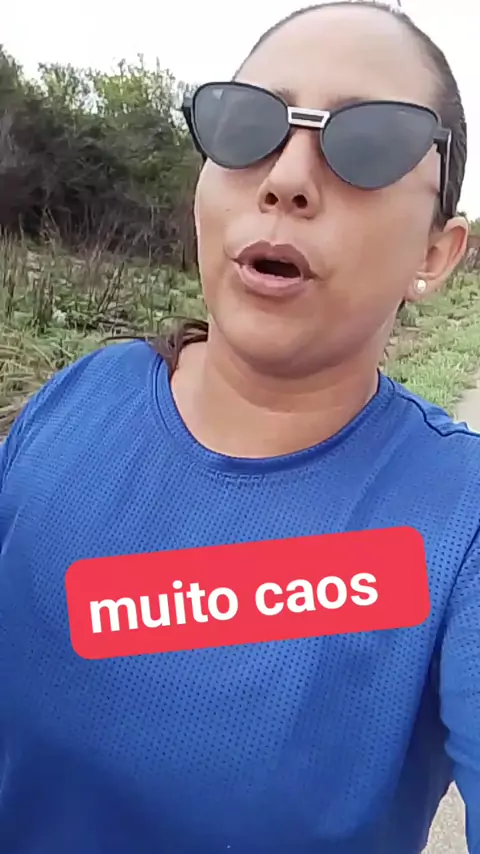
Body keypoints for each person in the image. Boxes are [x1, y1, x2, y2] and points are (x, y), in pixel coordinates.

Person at [0, 2, 478, 852]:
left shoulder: (458, 526)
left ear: (435, 254)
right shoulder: (83, 395)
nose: (288, 178)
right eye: (248, 124)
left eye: (369, 145)